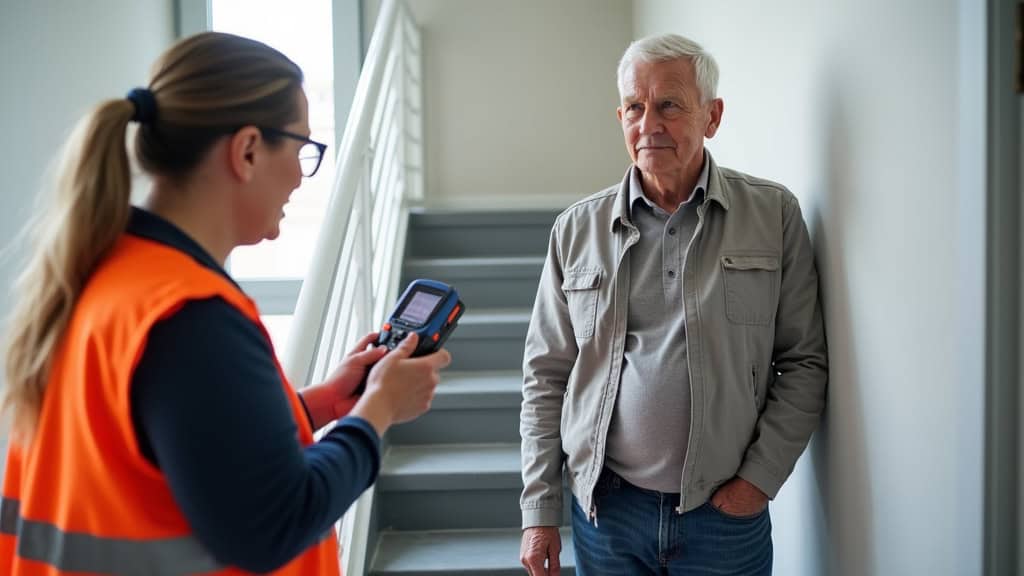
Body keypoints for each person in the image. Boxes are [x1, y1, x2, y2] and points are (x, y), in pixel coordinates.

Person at [0, 31, 450, 575]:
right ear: (248, 150)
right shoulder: (191, 317)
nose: (302, 177)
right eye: (304, 147)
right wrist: (378, 412)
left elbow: (177, 451)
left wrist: (319, 407)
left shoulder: (107, 279)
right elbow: (274, 524)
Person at [519, 33, 827, 576]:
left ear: (712, 116)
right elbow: (545, 377)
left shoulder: (773, 215)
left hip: (724, 516)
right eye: (635, 107)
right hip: (608, 514)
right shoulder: (576, 230)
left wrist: (758, 481)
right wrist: (539, 510)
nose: (649, 124)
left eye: (669, 105)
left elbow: (804, 363)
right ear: (620, 116)